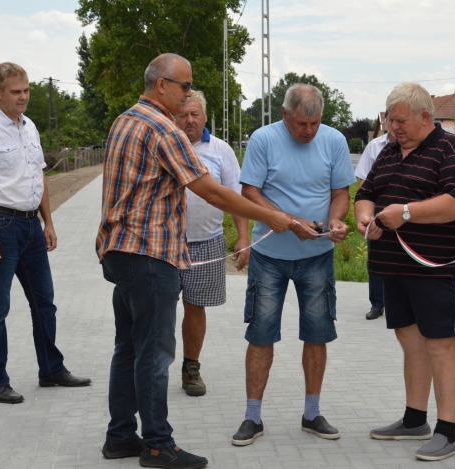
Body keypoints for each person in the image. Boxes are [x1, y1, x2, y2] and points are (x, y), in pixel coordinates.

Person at [96, 53, 293, 469]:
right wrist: (273, 216)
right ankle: (157, 445)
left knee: (128, 348)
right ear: (162, 85)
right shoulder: (162, 127)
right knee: (154, 352)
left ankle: (119, 437)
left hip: (121, 251)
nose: (189, 94)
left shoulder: (124, 120)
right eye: (185, 86)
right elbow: (213, 191)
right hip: (150, 255)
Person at [354, 82, 455, 462]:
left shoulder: (452, 148)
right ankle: (414, 419)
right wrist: (365, 219)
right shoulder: (389, 150)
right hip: (394, 267)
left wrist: (405, 213)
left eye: (401, 120)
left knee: (441, 345)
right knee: (411, 341)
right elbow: (366, 193)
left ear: (427, 117)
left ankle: (448, 431)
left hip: (439, 268)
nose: (394, 127)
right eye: (391, 121)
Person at [230, 84, 355, 446]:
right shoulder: (263, 139)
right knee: (260, 334)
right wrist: (287, 221)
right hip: (269, 256)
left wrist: (335, 221)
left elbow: (340, 193)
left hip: (317, 257)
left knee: (317, 334)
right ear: (284, 114)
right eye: (302, 124)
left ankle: (312, 414)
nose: (309, 131)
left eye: (315, 123)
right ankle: (252, 417)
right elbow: (249, 192)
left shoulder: (334, 141)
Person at [0, 62, 92, 405]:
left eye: (27, 90)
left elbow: (39, 176)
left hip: (32, 226)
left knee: (44, 302)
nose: (23, 97)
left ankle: (51, 369)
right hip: (1, 227)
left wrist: (48, 222)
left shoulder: (29, 126)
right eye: (16, 92)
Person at [173, 90, 250, 397]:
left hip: (206, 243)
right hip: (163, 244)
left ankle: (191, 368)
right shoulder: (163, 145)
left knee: (195, 308)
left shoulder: (220, 150)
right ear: (174, 116)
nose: (189, 120)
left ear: (205, 117)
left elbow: (235, 197)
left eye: (195, 114)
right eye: (183, 114)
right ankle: (151, 367)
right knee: (157, 310)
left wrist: (243, 236)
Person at [354, 117, 394, 320]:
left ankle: (401, 304)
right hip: (377, 214)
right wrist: (366, 214)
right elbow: (363, 183)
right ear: (386, 120)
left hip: (407, 215)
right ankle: (377, 304)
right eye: (391, 119)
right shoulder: (374, 146)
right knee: (376, 260)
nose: (395, 124)